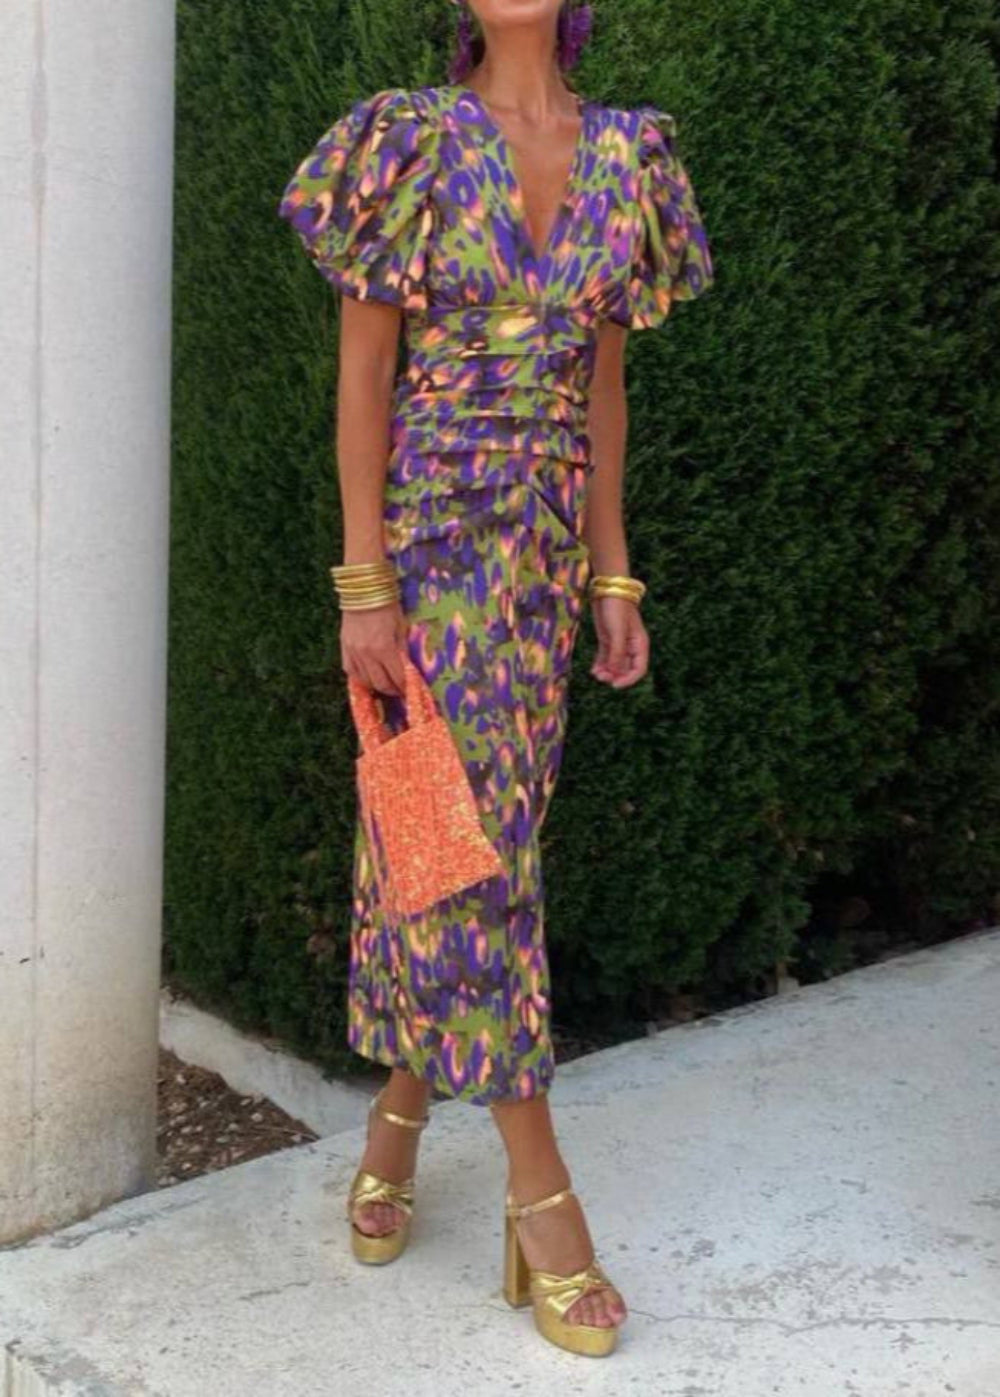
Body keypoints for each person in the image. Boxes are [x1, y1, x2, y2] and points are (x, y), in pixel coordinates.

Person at [278, 0, 714, 1358]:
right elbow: (365, 379)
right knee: (455, 850)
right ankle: (542, 1197)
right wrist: (364, 583)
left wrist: (613, 575)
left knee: (476, 846)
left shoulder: (631, 157)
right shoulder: (404, 143)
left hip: (539, 562)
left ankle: (398, 1119)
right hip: (427, 551)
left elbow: (603, 394)